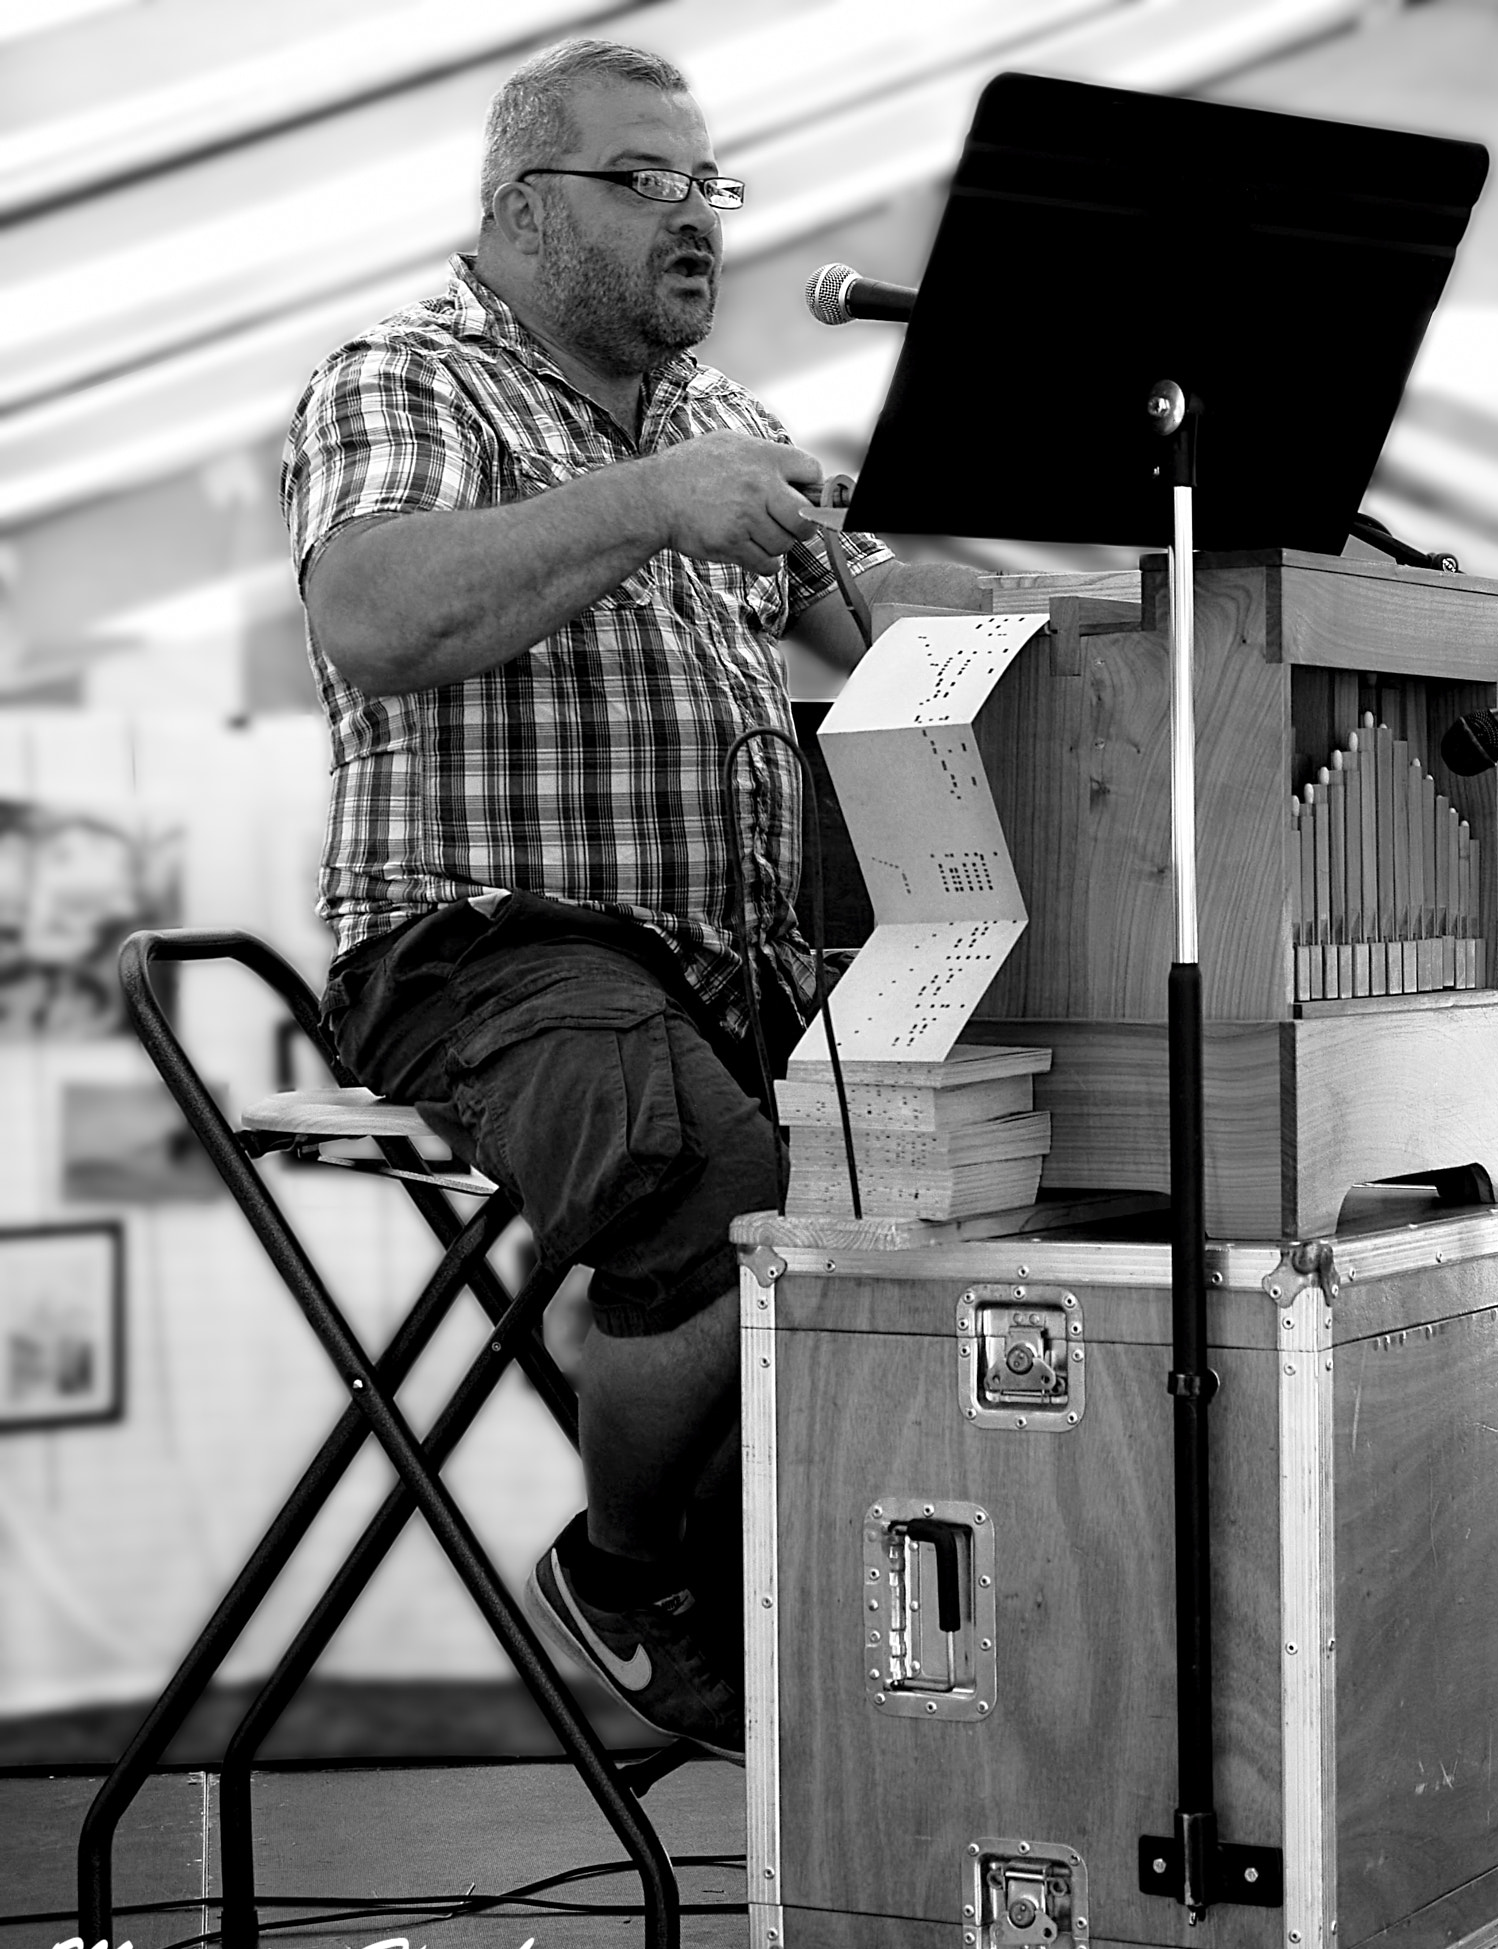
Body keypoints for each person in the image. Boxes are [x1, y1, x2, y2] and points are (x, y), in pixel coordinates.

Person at [280, 37, 984, 1757]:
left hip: (725, 956)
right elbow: (373, 614)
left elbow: (895, 637)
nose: (696, 218)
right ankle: (628, 1567)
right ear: (523, 205)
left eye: (708, 186)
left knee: (975, 1151)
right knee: (711, 1188)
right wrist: (656, 500)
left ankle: (860, 1608)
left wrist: (1114, 583)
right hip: (481, 945)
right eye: (645, 180)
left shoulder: (725, 418)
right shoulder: (409, 377)